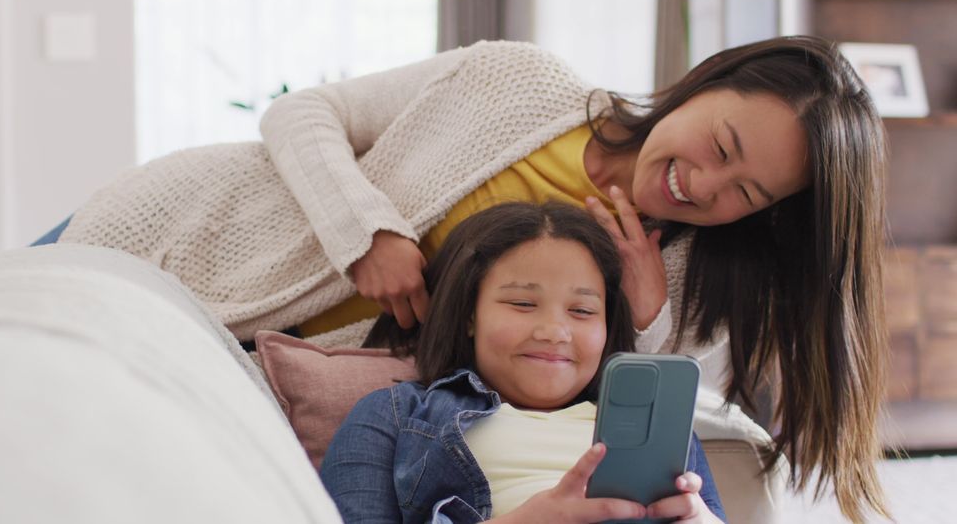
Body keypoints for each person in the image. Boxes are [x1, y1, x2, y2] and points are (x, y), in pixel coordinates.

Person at [52, 36, 887, 522]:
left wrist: (648, 317)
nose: (705, 184)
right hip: (187, 230)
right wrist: (366, 231)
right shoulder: (521, 85)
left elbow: (625, 421)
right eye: (724, 145)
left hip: (241, 367)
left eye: (746, 191)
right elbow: (304, 113)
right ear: (707, 83)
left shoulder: (684, 285)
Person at [321, 201, 726, 523]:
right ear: (468, 315)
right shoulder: (395, 415)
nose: (554, 331)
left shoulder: (663, 432)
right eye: (522, 303)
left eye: (582, 311)